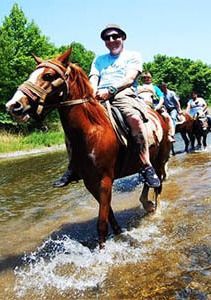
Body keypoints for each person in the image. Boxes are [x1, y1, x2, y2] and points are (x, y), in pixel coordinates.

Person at [53, 24, 161, 188]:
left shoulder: (133, 55)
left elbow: (130, 79)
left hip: (123, 93)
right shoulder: (99, 59)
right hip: (99, 95)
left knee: (134, 120)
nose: (111, 40)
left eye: (115, 36)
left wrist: (111, 91)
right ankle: (73, 167)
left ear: (122, 38)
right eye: (107, 38)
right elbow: (94, 78)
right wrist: (92, 92)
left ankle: (146, 164)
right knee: (74, 125)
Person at [137, 72, 176, 142]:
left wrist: (159, 105)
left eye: (148, 77)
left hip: (155, 106)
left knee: (166, 116)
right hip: (141, 106)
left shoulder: (155, 88)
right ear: (142, 79)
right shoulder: (138, 88)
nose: (146, 79)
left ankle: (170, 134)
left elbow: (161, 98)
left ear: (151, 79)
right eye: (144, 78)